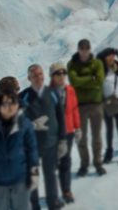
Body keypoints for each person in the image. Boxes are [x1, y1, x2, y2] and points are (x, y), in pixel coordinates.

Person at [19, 65, 65, 210]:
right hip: (31, 145)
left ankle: (53, 202)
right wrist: (31, 125)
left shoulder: (52, 93)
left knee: (50, 174)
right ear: (29, 78)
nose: (38, 78)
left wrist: (62, 139)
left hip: (50, 142)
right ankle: (35, 205)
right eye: (34, 75)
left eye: (40, 74)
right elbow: (17, 120)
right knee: (33, 177)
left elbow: (60, 117)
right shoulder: (23, 96)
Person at [0, 89, 39, 210]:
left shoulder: (25, 124)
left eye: (13, 102)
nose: (10, 107)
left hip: (20, 179)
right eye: (5, 103)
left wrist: (34, 172)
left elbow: (32, 149)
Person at [66, 40, 104, 177]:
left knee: (96, 137)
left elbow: (100, 80)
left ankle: (98, 163)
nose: (84, 50)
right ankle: (84, 164)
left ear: (89, 49)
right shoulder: (72, 64)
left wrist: (83, 81)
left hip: (96, 104)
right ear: (78, 49)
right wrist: (91, 79)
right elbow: (74, 81)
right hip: (80, 107)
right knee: (81, 138)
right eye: (82, 48)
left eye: (86, 48)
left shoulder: (97, 63)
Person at [49, 64, 80, 205]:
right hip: (53, 133)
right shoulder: (47, 92)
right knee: (52, 163)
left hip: (68, 131)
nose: (61, 76)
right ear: (52, 76)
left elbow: (74, 110)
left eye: (63, 73)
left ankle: (66, 190)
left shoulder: (70, 90)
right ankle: (53, 193)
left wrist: (77, 127)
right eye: (58, 73)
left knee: (66, 161)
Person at [96, 49, 118, 165]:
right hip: (106, 101)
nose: (112, 58)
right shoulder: (100, 70)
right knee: (109, 128)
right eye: (109, 57)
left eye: (113, 56)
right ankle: (109, 151)